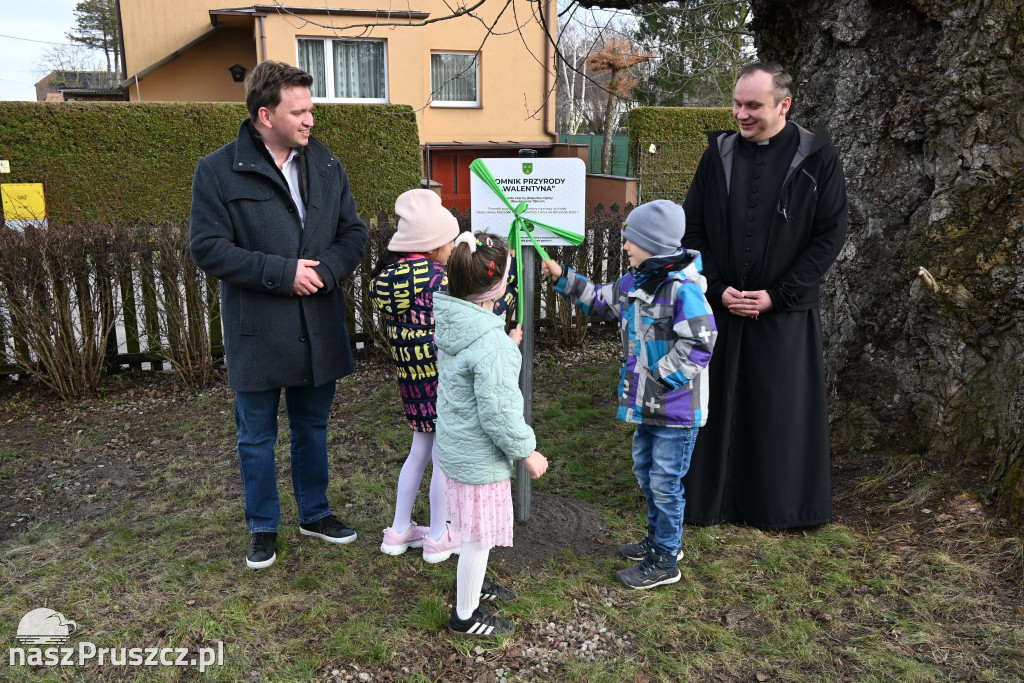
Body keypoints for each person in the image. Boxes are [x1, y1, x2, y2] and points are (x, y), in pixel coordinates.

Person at [189, 61, 368, 569]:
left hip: (318, 324)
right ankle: (263, 526)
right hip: (258, 330)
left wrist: (326, 271)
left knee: (312, 426)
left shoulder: (327, 165)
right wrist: (281, 272)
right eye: (299, 111)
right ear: (265, 115)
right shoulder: (217, 171)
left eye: (311, 109)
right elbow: (208, 247)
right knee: (256, 436)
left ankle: (315, 513)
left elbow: (353, 233)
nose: (311, 120)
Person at [680, 62, 848, 529]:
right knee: (713, 409)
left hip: (785, 313)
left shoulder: (817, 157)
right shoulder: (717, 155)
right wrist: (716, 287)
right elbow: (692, 229)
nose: (741, 114)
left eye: (753, 105)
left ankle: (778, 508)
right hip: (721, 308)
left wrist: (779, 295)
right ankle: (707, 503)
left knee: (779, 413)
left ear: (783, 105)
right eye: (737, 104)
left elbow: (829, 236)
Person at [542, 200, 717, 590]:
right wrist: (563, 277)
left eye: (630, 240)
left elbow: (701, 341)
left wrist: (661, 376)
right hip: (646, 407)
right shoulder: (635, 282)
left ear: (652, 244)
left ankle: (666, 559)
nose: (624, 247)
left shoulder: (682, 290)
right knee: (646, 474)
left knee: (665, 483)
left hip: (676, 412)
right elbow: (599, 299)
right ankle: (658, 540)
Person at [372, 190, 516, 563]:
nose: (453, 248)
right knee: (442, 458)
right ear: (432, 244)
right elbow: (481, 307)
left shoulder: (389, 278)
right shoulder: (439, 280)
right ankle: (439, 535)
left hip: (412, 383)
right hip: (442, 380)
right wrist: (507, 277)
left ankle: (399, 530)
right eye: (450, 241)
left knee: (418, 452)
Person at [434, 231, 548, 638]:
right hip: (480, 461)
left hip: (456, 449)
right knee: (478, 538)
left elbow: (477, 371)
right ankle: (465, 616)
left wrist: (505, 344)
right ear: (499, 288)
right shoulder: (490, 344)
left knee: (471, 530)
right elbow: (499, 413)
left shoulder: (455, 323)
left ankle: (477, 584)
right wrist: (527, 452)